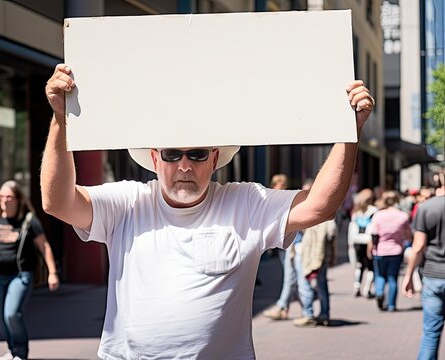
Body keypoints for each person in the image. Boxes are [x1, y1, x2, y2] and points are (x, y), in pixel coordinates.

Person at [41, 63, 374, 359]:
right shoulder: (128, 201)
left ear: (214, 159)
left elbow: (320, 206)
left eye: (197, 153)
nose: (184, 165)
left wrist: (350, 130)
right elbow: (57, 202)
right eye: (172, 154)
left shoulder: (246, 203)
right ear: (156, 159)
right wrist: (60, 119)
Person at [0, 180, 59, 360]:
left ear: (18, 199)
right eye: (1, 196)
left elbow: (45, 247)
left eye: (9, 197)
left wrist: (52, 272)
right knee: (0, 317)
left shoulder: (28, 221)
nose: (4, 200)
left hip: (20, 276)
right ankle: (12, 350)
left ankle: (20, 352)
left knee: (11, 314)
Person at [402, 172, 445, 359]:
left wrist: (408, 276)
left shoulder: (426, 207)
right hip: (433, 275)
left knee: (431, 332)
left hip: (434, 275)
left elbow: (418, 246)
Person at [262, 175, 308, 321]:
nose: (280, 188)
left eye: (283, 185)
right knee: (291, 276)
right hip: (281, 244)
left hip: (293, 242)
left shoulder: (288, 200)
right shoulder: (268, 199)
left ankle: (286, 307)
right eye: (277, 185)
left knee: (292, 277)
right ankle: (289, 308)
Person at [367, 190, 411, 311]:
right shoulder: (403, 216)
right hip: (396, 251)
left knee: (380, 275)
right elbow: (408, 235)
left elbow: (373, 234)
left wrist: (371, 248)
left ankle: (380, 292)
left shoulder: (378, 215)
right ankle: (391, 305)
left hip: (380, 250)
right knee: (393, 277)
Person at [295, 217, 337, 327]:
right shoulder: (328, 217)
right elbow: (332, 234)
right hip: (322, 254)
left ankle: (309, 313)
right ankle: (324, 314)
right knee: (322, 284)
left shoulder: (317, 216)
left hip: (314, 255)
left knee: (306, 282)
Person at [347, 188, 378, 297]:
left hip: (357, 241)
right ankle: (367, 289)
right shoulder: (374, 211)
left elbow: (352, 228)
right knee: (371, 267)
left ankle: (357, 286)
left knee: (359, 265)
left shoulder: (356, 212)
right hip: (369, 241)